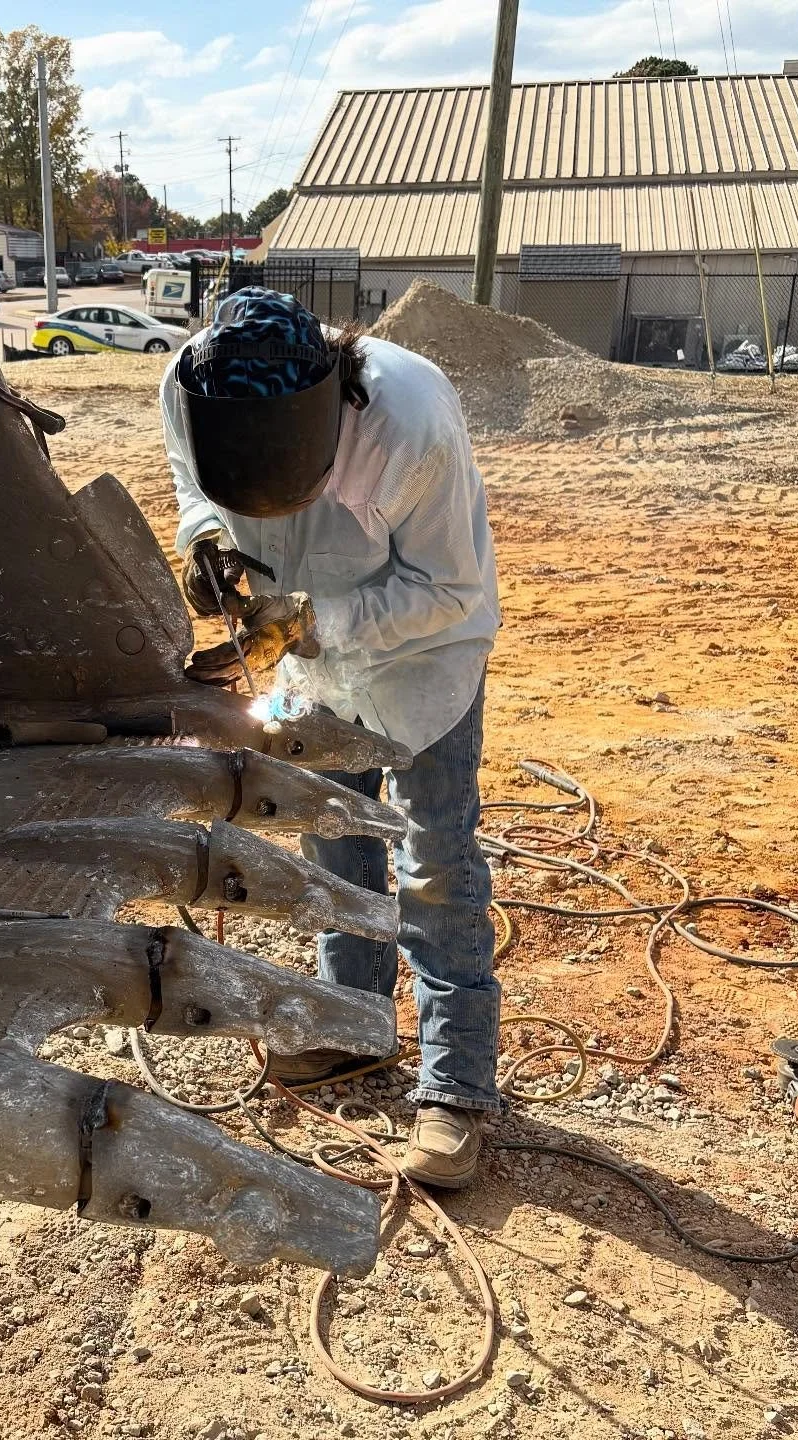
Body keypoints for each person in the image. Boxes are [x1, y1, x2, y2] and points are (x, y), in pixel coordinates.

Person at [161, 288, 501, 1190]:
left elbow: (448, 593)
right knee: (332, 855)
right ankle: (351, 1034)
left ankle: (457, 1091)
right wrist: (208, 546)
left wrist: (317, 619)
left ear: (333, 408)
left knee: (433, 870)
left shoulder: (409, 425)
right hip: (312, 673)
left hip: (422, 669)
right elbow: (191, 484)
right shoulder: (192, 383)